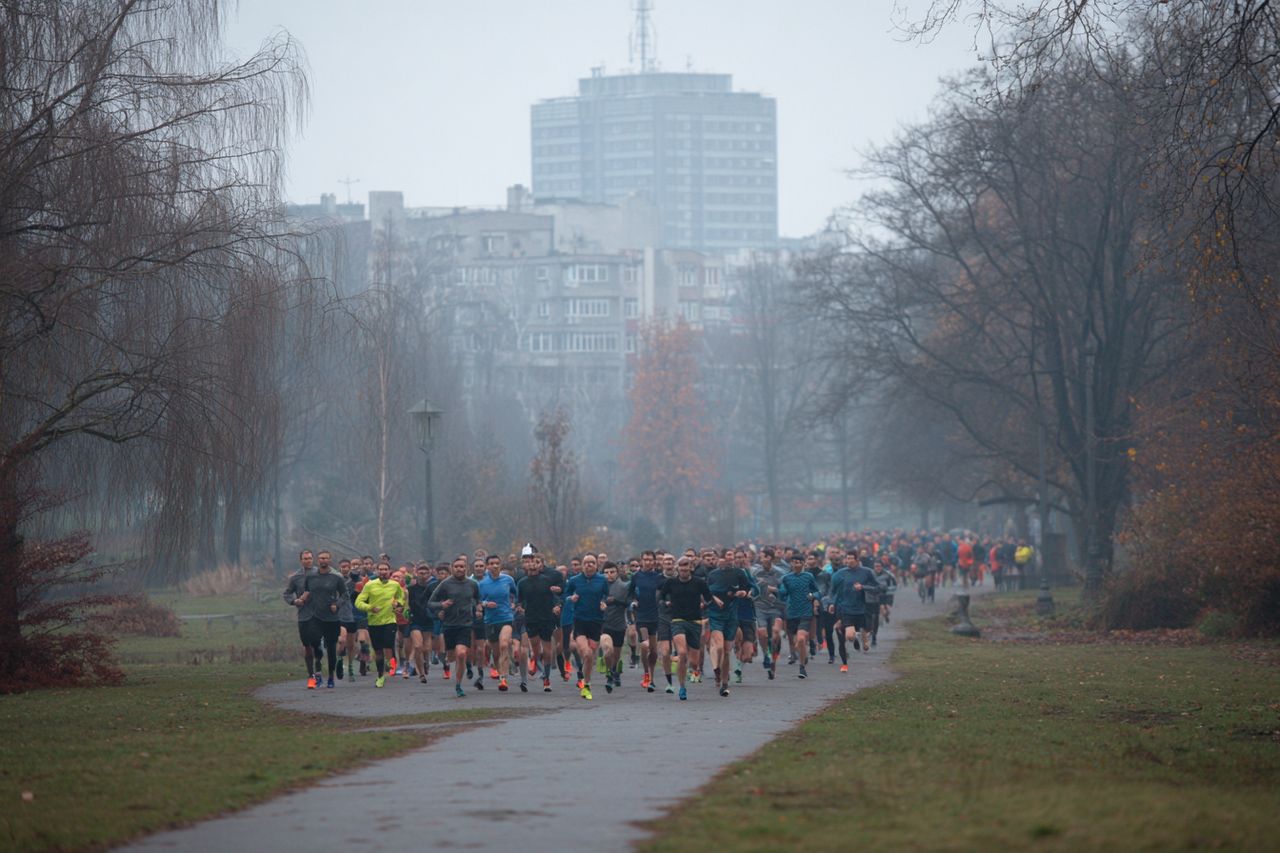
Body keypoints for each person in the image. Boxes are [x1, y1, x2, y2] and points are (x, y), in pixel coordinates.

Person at [658, 557, 715, 700]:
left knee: (694, 662)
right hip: (677, 620)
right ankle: (682, 687)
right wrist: (666, 603)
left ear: (691, 568)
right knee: (682, 652)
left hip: (695, 621)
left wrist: (705, 605)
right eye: (681, 567)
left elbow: (708, 598)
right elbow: (661, 596)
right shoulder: (671, 582)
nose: (683, 570)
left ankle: (691, 671)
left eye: (686, 567)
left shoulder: (699, 582)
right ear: (678, 568)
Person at [428, 555, 483, 698]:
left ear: (466, 568)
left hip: (465, 624)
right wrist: (441, 606)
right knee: (452, 656)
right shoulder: (445, 584)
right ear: (452, 568)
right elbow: (431, 603)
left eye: (462, 567)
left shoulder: (472, 584)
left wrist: (478, 609)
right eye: (457, 567)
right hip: (449, 625)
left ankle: (458, 685)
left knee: (461, 653)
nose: (459, 569)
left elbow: (478, 599)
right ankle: (465, 666)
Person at [705, 548, 756, 697]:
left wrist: (743, 593)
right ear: (721, 558)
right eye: (727, 555)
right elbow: (707, 592)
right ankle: (718, 671)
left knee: (727, 651)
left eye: (732, 556)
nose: (730, 559)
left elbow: (747, 588)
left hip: (732, 615)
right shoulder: (713, 575)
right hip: (716, 614)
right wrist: (715, 599)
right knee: (719, 646)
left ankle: (724, 683)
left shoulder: (739, 573)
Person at [354, 560, 407, 688]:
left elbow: (401, 598)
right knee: (378, 651)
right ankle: (380, 676)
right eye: (381, 569)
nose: (383, 572)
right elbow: (358, 602)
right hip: (374, 622)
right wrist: (370, 608)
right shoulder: (370, 585)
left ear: (389, 571)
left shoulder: (395, 585)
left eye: (385, 569)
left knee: (388, 644)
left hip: (390, 620)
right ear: (377, 571)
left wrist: (398, 605)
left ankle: (391, 662)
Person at [516, 544, 561, 692]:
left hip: (546, 617)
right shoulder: (522, 583)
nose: (533, 565)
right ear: (526, 565)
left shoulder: (547, 580)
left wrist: (557, 605)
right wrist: (519, 607)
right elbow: (519, 600)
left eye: (536, 562)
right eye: (530, 562)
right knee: (535, 650)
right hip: (531, 618)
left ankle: (547, 678)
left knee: (547, 651)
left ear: (540, 565)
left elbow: (555, 597)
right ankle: (536, 662)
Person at [564, 553, 609, 700]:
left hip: (596, 621)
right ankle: (585, 685)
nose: (588, 565)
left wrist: (604, 603)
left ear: (596, 565)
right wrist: (571, 598)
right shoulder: (574, 580)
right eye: (586, 563)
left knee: (590, 658)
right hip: (580, 620)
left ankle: (586, 681)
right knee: (587, 653)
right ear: (582, 565)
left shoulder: (602, 580)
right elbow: (565, 595)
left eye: (592, 563)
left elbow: (605, 595)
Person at [304, 551, 350, 688]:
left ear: (330, 560)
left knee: (331, 649)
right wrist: (301, 600)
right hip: (315, 616)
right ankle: (318, 674)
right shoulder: (311, 576)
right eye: (320, 558)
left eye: (325, 558)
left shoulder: (336, 577)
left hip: (331, 618)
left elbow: (345, 594)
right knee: (316, 646)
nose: (322, 560)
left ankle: (331, 676)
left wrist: (337, 604)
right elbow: (307, 592)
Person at [478, 553, 518, 692]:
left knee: (504, 644)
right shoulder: (482, 584)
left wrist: (515, 604)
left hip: (506, 617)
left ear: (500, 565)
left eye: (497, 563)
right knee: (495, 652)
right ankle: (500, 670)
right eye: (491, 564)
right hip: (490, 620)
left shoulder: (508, 580)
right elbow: (477, 601)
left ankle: (503, 678)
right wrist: (485, 604)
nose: (495, 566)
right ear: (487, 566)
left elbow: (516, 594)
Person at [283, 549, 322, 689]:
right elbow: (287, 594)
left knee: (317, 644)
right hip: (303, 615)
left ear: (313, 559)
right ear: (301, 560)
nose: (308, 560)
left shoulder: (321, 574)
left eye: (310, 558)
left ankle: (318, 669)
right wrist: (295, 601)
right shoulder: (296, 577)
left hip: (319, 615)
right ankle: (311, 675)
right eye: (305, 558)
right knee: (307, 647)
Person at [779, 557, 820, 679]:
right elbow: (782, 593)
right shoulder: (786, 578)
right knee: (795, 643)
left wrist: (813, 595)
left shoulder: (808, 576)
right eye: (794, 561)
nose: (796, 564)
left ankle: (802, 668)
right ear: (791, 563)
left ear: (803, 564)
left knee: (801, 639)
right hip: (791, 613)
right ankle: (803, 654)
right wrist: (779, 591)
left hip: (805, 612)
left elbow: (818, 591)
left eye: (799, 562)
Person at [752, 547, 787, 680]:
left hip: (775, 607)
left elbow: (784, 590)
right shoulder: (755, 572)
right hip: (760, 606)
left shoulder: (780, 572)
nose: (761, 559)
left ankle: (773, 659)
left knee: (775, 633)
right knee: (762, 633)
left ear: (769, 558)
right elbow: (752, 587)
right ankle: (766, 654)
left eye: (763, 556)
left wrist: (773, 590)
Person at [601, 562, 630, 693]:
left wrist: (615, 602)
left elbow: (628, 604)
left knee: (616, 654)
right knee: (608, 649)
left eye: (612, 572)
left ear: (617, 573)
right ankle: (609, 675)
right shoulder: (599, 586)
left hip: (618, 625)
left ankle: (614, 671)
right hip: (603, 624)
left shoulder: (624, 587)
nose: (609, 575)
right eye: (606, 572)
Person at [407, 563, 435, 684]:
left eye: (425, 573)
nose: (423, 575)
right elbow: (405, 603)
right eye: (421, 573)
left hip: (428, 619)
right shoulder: (410, 589)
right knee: (418, 646)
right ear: (416, 573)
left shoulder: (432, 589)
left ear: (429, 574)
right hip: (415, 620)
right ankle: (421, 673)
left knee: (427, 647)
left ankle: (426, 660)